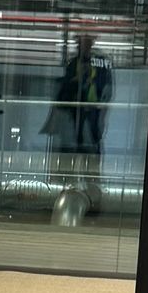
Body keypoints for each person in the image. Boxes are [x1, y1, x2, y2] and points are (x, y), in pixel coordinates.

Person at [44, 28, 114, 216]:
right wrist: (75, 80)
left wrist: (101, 117)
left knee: (91, 164)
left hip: (91, 121)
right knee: (71, 161)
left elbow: (106, 93)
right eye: (80, 42)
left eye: (85, 41)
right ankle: (66, 201)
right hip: (73, 121)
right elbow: (63, 93)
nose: (82, 45)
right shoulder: (73, 64)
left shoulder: (101, 64)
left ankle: (94, 203)